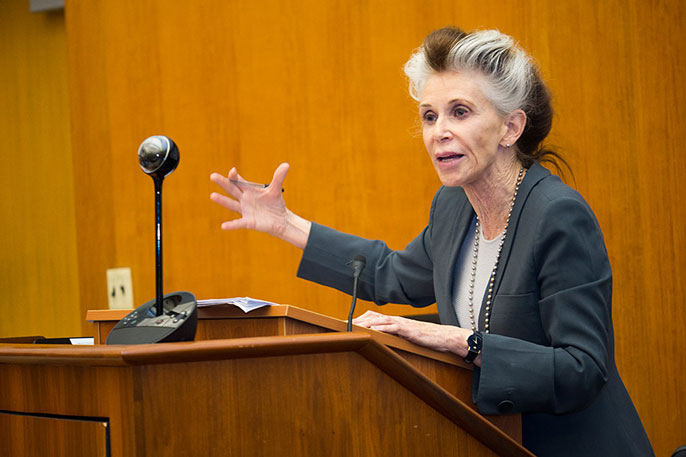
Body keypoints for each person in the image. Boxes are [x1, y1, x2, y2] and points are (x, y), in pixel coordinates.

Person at [210, 27, 654, 457]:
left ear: (510, 128)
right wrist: (284, 223)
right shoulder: (453, 206)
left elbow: (583, 369)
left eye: (459, 112)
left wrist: (462, 341)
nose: (438, 130)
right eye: (429, 115)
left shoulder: (556, 215)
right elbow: (389, 274)